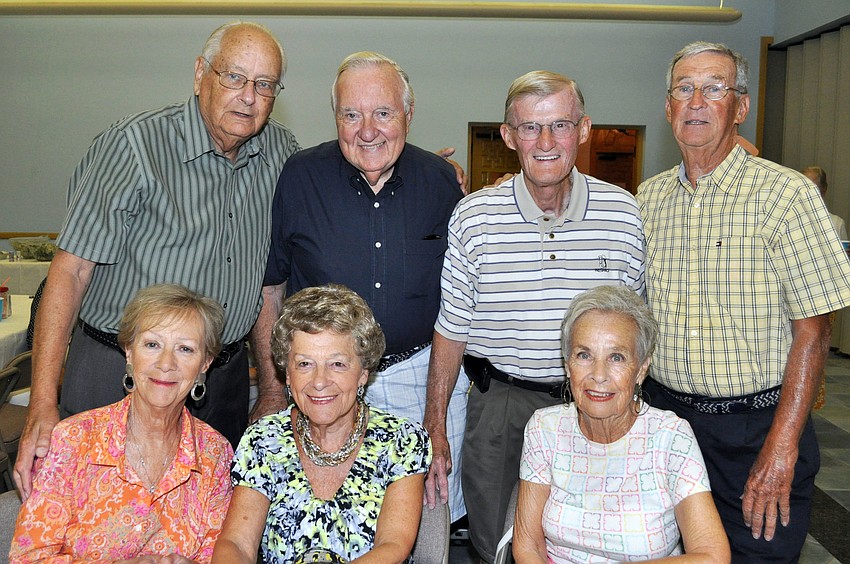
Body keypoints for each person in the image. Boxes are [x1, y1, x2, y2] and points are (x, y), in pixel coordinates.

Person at [15, 21, 301, 500]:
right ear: (199, 74)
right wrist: (42, 401)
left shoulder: (280, 154)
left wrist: (417, 168)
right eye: (233, 77)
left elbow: (268, 285)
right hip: (117, 374)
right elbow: (70, 270)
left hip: (221, 381)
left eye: (265, 85)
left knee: (203, 528)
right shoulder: (133, 146)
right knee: (100, 521)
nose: (248, 97)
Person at [637, 41, 850, 562]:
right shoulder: (647, 200)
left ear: (741, 106)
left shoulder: (787, 196)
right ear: (667, 107)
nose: (696, 102)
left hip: (758, 430)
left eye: (714, 89)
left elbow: (815, 331)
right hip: (667, 427)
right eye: (684, 89)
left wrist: (782, 447)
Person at [424, 70, 645, 563]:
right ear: (508, 136)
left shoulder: (623, 214)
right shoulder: (475, 217)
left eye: (560, 126)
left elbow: (634, 335)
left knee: (589, 541)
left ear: (583, 130)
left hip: (594, 405)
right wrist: (435, 428)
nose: (546, 142)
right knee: (494, 545)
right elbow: (450, 331)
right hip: (499, 404)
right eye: (529, 128)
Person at [254, 51, 467, 519]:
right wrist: (272, 389)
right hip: (321, 384)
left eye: (383, 113)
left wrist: (436, 415)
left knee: (425, 519)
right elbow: (271, 289)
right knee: (324, 516)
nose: (367, 131)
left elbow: (461, 298)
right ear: (335, 117)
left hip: (419, 378)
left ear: (408, 114)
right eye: (351, 115)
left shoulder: (441, 182)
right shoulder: (298, 177)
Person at [10, 284, 234, 563]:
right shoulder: (72, 440)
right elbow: (28, 558)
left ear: (205, 364)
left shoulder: (216, 454)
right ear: (129, 352)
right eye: (152, 345)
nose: (166, 363)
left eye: (185, 349)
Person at [212, 284, 431, 563]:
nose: (319, 381)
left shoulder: (402, 440)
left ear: (363, 373)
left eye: (337, 364)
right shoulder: (263, 440)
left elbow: (393, 546)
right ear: (287, 374)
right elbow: (236, 544)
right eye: (304, 364)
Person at [514, 285, 730, 563]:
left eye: (616, 357)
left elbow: (712, 556)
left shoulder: (671, 437)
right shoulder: (544, 429)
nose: (599, 375)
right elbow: (527, 546)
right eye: (584, 355)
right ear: (568, 365)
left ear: (641, 370)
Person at [802, 166, 847, 240]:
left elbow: (843, 250)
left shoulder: (836, 224)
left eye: (811, 188)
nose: (806, 193)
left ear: (823, 190)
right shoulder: (786, 222)